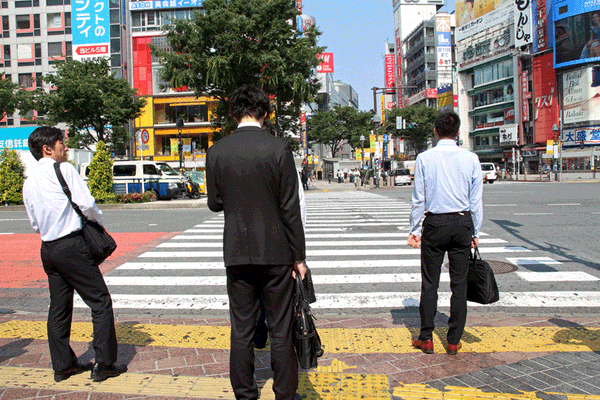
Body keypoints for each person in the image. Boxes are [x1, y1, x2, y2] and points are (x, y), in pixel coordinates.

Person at [206, 85, 307, 400]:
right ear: (265, 113)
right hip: (277, 252)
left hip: (236, 251)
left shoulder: (216, 151)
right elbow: (290, 208)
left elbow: (214, 203)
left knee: (242, 329)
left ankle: (245, 394)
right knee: (280, 328)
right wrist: (299, 257)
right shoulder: (278, 149)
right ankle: (284, 394)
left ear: (233, 113)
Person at [22, 126, 126, 382]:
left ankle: (63, 364)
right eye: (62, 144)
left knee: (58, 307)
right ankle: (104, 364)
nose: (66, 148)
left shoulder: (29, 181)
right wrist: (97, 221)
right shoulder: (64, 169)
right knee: (100, 302)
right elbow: (87, 204)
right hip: (72, 246)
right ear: (48, 149)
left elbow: (35, 223)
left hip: (49, 248)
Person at [407, 110, 483, 355]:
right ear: (458, 132)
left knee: (430, 283)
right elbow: (476, 200)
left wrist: (414, 229)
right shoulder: (471, 158)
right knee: (458, 285)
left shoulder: (425, 158)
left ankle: (426, 337)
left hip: (435, 224)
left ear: (435, 131)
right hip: (462, 222)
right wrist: (476, 230)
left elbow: (419, 198)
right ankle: (453, 340)